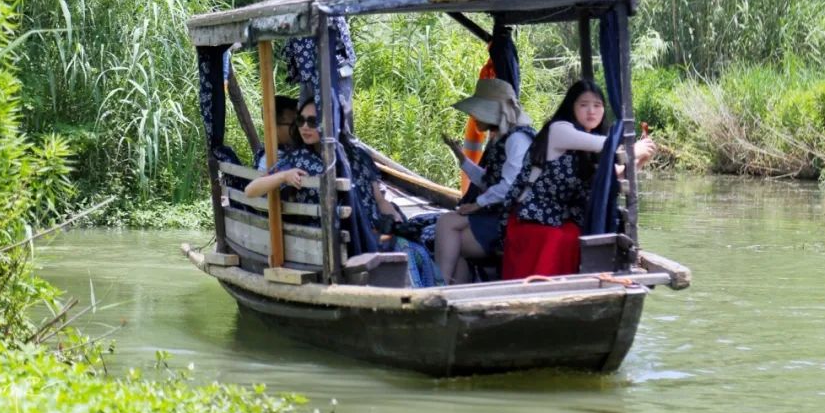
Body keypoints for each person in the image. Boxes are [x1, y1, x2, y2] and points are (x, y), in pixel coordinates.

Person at [244, 99, 442, 287]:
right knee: (403, 251)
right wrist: (283, 176)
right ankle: (413, 304)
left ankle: (429, 299)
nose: (305, 126)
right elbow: (251, 190)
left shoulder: (356, 156)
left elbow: (380, 200)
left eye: (312, 121)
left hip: (371, 230)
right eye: (301, 120)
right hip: (336, 237)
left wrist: (396, 220)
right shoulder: (297, 158)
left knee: (416, 249)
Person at [501, 79, 656, 280]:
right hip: (532, 220)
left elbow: (613, 176)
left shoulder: (591, 142)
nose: (591, 111)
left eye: (597, 105)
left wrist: (639, 159)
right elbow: (607, 145)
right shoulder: (560, 129)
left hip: (559, 221)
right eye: (583, 105)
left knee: (577, 235)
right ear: (571, 107)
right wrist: (632, 149)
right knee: (561, 237)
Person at [435, 79, 534, 284]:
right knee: (452, 236)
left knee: (448, 229)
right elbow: (489, 181)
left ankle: (440, 286)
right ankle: (452, 292)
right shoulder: (501, 137)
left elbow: (509, 187)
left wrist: (477, 204)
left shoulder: (517, 140)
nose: (473, 117)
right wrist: (462, 158)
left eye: (478, 111)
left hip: (512, 216)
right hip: (498, 211)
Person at [266, 0, 356, 130]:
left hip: (333, 71)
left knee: (338, 127)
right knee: (308, 126)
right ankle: (314, 160)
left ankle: (341, 160)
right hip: (310, 72)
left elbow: (291, 9)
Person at [255, 95, 298, 173]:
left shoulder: (292, 149)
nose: (299, 128)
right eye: (293, 124)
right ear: (274, 126)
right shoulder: (267, 161)